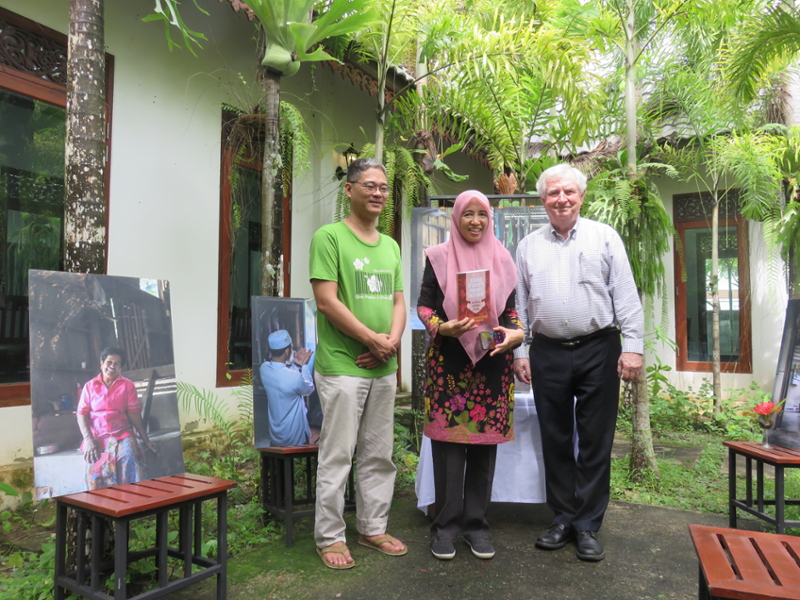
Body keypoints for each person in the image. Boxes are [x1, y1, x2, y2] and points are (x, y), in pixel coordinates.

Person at [513, 164, 644, 562]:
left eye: (569, 192)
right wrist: (520, 352)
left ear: (581, 196)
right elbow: (518, 305)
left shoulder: (605, 237)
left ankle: (587, 525)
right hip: (548, 351)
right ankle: (563, 517)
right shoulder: (527, 246)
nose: (562, 199)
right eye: (553, 193)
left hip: (598, 347)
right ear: (542, 200)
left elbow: (625, 294)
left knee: (594, 439)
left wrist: (633, 346)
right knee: (553, 437)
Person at [309, 158, 407, 569]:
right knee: (338, 454)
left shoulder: (390, 245)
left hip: (383, 368)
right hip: (342, 366)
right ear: (349, 190)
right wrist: (371, 339)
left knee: (378, 453)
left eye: (383, 187)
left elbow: (398, 302)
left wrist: (393, 342)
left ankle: (372, 527)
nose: (378, 193)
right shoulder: (329, 237)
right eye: (369, 185)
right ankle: (329, 537)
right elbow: (326, 300)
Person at [417, 190, 524, 561]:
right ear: (456, 217)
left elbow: (510, 312)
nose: (475, 221)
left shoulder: (503, 258)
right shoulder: (438, 256)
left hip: (492, 361)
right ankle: (444, 529)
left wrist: (518, 333)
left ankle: (477, 527)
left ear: (489, 218)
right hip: (449, 366)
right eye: (468, 214)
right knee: (448, 449)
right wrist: (440, 327)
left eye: (482, 214)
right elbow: (425, 304)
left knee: (483, 449)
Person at [76, 346, 158, 490]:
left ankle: (131, 501)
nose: (112, 366)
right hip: (97, 436)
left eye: (117, 363)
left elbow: (134, 414)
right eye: (109, 362)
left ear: (120, 368)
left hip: (122, 434)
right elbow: (81, 414)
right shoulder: (89, 387)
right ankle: (101, 506)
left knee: (129, 457)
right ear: (101, 363)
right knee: (93, 463)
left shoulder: (127, 386)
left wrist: (145, 439)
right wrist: (88, 440)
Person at [259, 329, 315, 446]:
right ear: (287, 351)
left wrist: (296, 365)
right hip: (295, 438)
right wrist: (303, 366)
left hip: (275, 436)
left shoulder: (264, 368)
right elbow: (308, 389)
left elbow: (285, 377)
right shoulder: (294, 377)